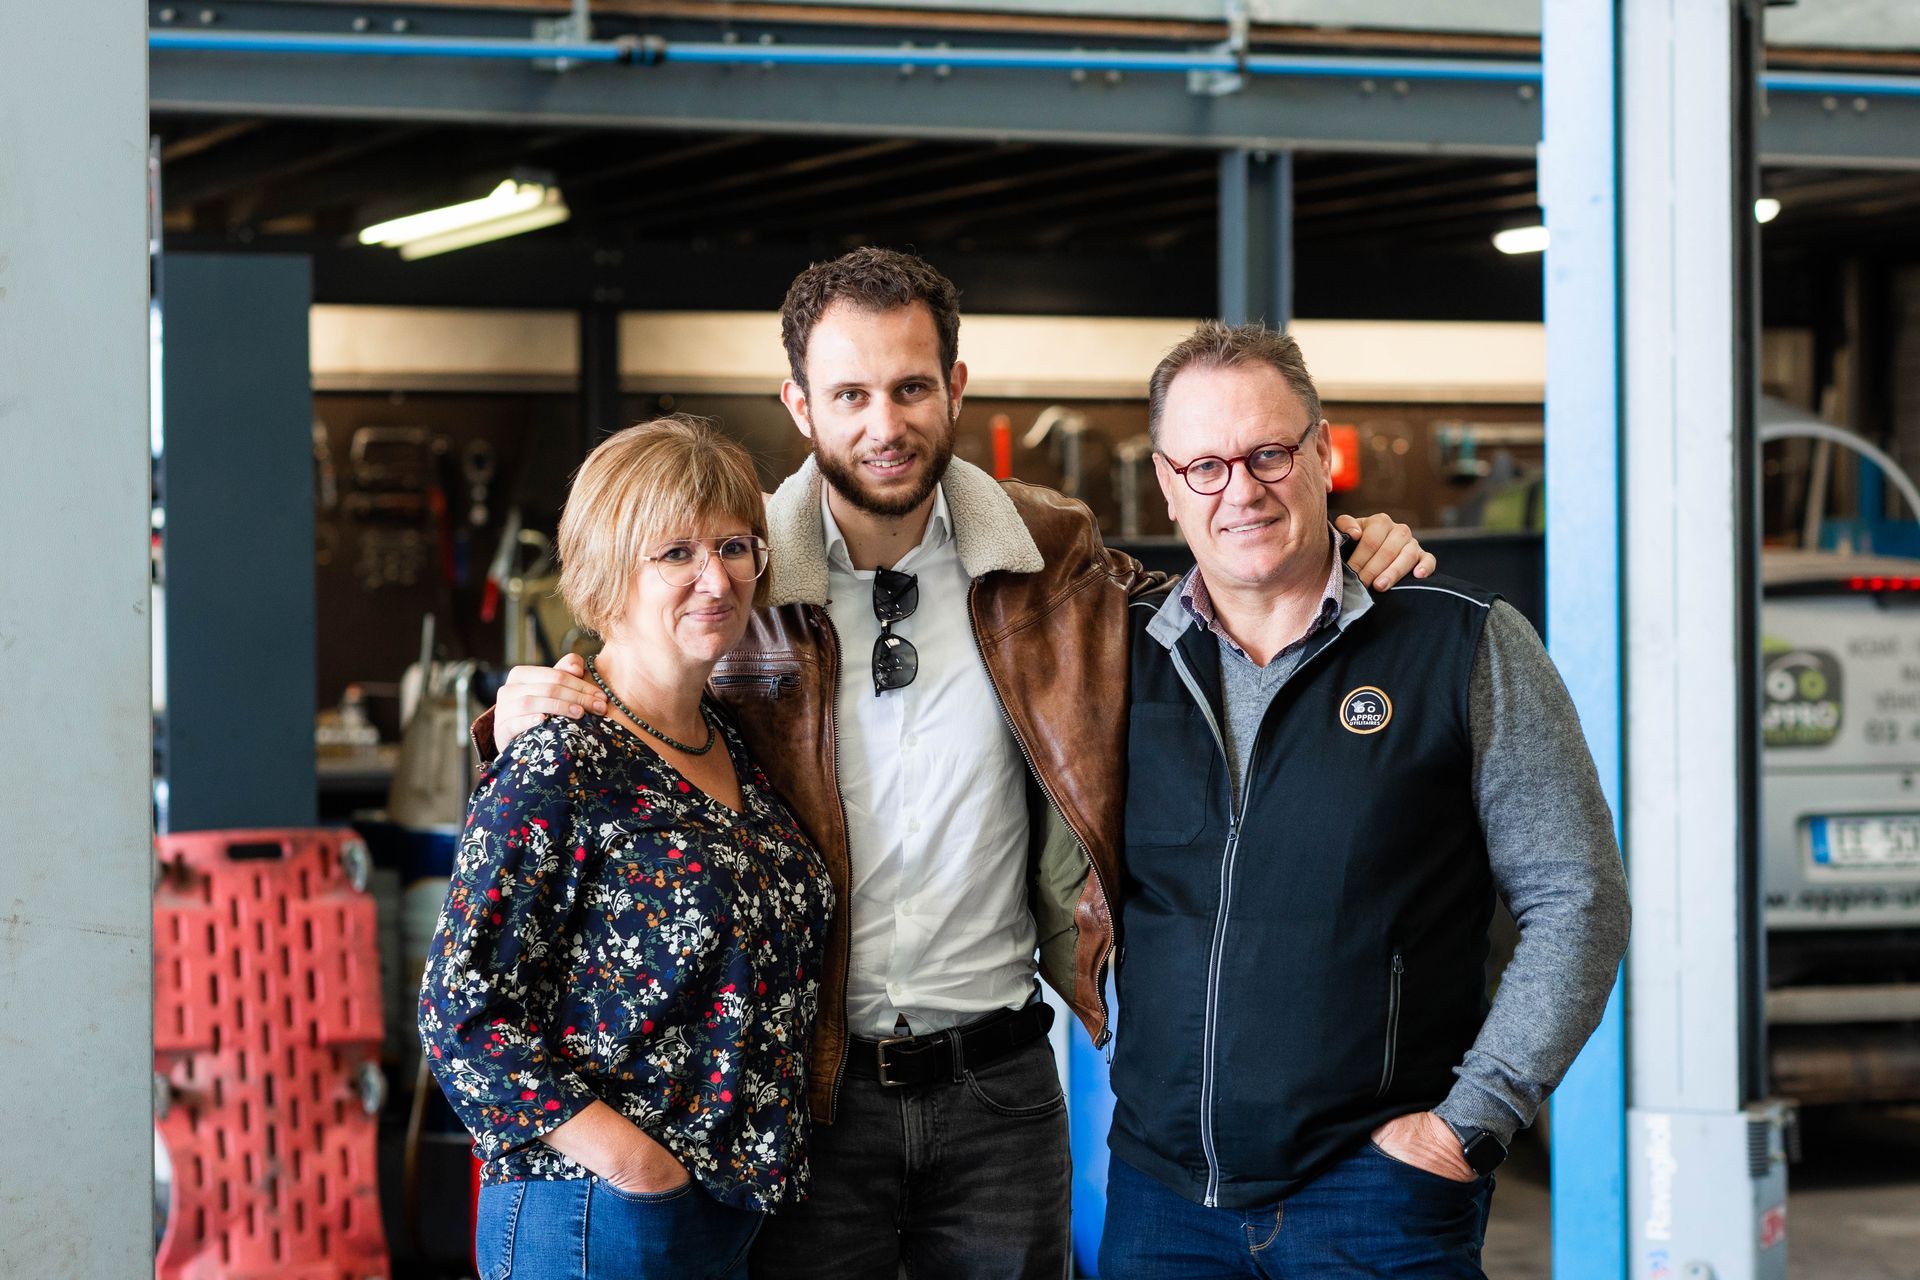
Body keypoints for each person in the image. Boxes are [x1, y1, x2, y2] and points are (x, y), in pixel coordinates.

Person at [482, 248, 1436, 1279]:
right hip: (808, 1087)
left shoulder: (1050, 557)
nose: (883, 424)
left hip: (1001, 1089)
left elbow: (1222, 587)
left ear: (957, 388)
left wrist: (1346, 544)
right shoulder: (732, 574)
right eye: (849, 393)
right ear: (799, 403)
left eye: (910, 387)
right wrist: (529, 705)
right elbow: (624, 698)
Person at [1100, 322, 1630, 1280]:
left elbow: (1579, 899)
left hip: (1375, 1200)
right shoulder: (1116, 658)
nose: (1243, 491)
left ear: (1324, 451)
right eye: (1206, 466)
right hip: (1162, 1203)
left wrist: (1469, 1126)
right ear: (1169, 484)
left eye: (1269, 452)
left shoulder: (1463, 645)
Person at [419, 417, 835, 1280]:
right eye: (674, 553)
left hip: (726, 1211)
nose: (714, 577)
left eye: (732, 546)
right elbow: (460, 1008)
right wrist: (636, 1167)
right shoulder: (559, 753)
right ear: (610, 574)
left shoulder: (731, 743)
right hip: (599, 1211)